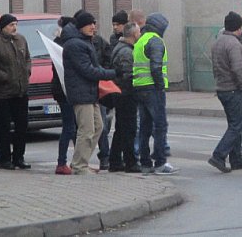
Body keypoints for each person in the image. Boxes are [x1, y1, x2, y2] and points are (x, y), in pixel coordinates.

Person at [62, 11, 117, 175]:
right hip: (81, 94)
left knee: (98, 127)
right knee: (86, 130)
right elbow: (88, 70)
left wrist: (107, 73)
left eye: (94, 23)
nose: (93, 27)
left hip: (90, 93)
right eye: (89, 24)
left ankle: (80, 162)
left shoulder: (85, 42)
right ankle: (79, 166)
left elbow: (95, 67)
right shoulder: (74, 45)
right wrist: (113, 74)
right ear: (80, 27)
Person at [0, 14, 32, 170]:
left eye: (15, 24)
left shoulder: (21, 40)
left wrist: (27, 71)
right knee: (4, 128)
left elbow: (28, 58)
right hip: (3, 93)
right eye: (11, 25)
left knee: (22, 126)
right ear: (3, 27)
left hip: (21, 91)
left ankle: (19, 157)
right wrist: (4, 77)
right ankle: (4, 159)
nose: (14, 28)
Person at [133, 13, 177, 174]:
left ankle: (145, 163)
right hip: (153, 89)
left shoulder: (141, 40)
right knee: (160, 126)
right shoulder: (156, 41)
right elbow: (156, 67)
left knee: (144, 127)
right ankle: (160, 162)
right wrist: (160, 86)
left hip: (139, 87)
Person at [209, 12, 242, 173]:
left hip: (222, 88)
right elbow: (238, 67)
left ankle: (236, 159)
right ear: (238, 28)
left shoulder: (218, 42)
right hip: (234, 89)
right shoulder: (234, 44)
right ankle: (219, 155)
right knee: (236, 126)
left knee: (234, 124)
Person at [109, 22, 142, 172]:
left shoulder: (120, 48)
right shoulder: (127, 52)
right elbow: (128, 76)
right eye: (139, 32)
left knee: (121, 129)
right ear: (134, 34)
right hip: (126, 95)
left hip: (120, 93)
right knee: (129, 129)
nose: (140, 35)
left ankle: (115, 161)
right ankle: (130, 162)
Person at [53, 16, 76, 175]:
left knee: (74, 127)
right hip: (65, 90)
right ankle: (62, 162)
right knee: (69, 127)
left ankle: (79, 161)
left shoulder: (60, 42)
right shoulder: (63, 44)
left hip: (66, 90)